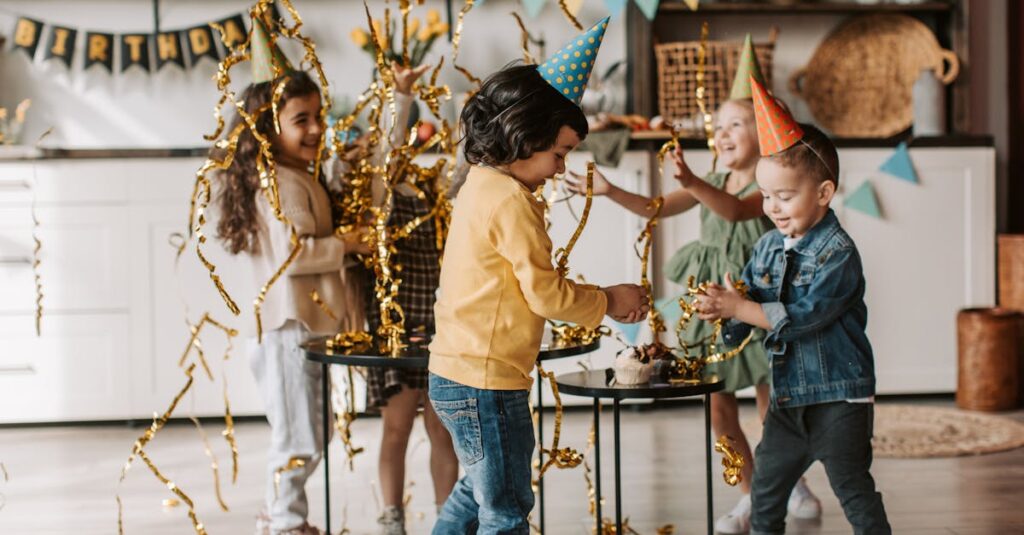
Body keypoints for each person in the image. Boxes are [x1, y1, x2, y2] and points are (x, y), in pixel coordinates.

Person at [697, 77, 891, 535]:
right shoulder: (766, 248)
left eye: (785, 197)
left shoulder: (837, 253)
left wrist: (740, 309)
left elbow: (801, 318)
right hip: (787, 402)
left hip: (839, 399)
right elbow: (747, 314)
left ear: (823, 193)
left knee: (854, 491)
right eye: (766, 196)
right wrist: (724, 313)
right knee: (765, 491)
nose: (773, 208)